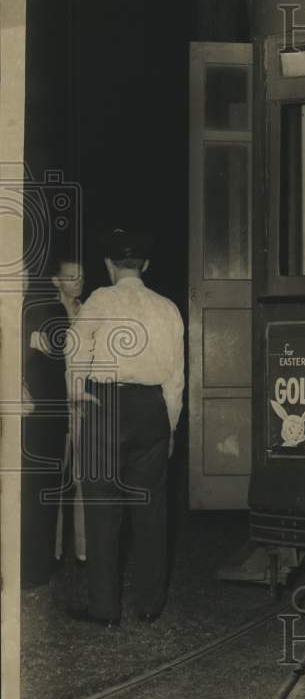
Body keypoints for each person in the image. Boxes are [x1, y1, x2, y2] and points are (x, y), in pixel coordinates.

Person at [67, 228, 184, 628]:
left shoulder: (101, 299)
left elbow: (76, 348)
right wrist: (168, 427)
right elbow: (176, 378)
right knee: (151, 511)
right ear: (145, 266)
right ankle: (150, 605)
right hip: (152, 407)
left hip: (106, 406)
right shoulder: (167, 308)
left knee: (103, 511)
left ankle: (104, 608)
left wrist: (78, 394)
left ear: (109, 265)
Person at [21, 264, 70, 586]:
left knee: (37, 493)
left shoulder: (47, 310)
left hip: (38, 423)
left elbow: (57, 364)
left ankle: (33, 569)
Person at [51, 258, 87, 564]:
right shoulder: (46, 316)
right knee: (55, 478)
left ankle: (84, 550)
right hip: (55, 407)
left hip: (83, 405)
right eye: (71, 277)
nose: (78, 281)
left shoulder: (88, 312)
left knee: (82, 478)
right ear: (56, 281)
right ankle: (53, 550)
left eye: (81, 277)